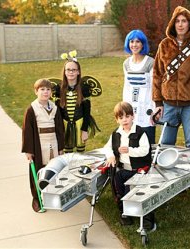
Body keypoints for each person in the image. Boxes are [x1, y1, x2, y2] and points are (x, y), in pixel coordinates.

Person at [152, 6, 190, 147]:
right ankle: (166, 169)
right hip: (168, 104)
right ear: (173, 24)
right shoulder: (164, 45)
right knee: (165, 144)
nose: (180, 24)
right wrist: (158, 103)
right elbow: (157, 74)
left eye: (184, 21)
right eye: (177, 21)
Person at [104, 102, 155, 230]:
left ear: (133, 116)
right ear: (117, 120)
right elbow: (107, 147)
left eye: (127, 116)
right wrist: (110, 155)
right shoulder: (116, 133)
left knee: (135, 192)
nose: (124, 120)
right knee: (119, 190)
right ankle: (125, 213)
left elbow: (145, 150)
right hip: (123, 169)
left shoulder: (140, 132)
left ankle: (147, 218)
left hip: (138, 169)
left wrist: (130, 150)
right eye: (121, 118)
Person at [22, 78, 64, 212]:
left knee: (52, 170)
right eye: (42, 89)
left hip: (53, 143)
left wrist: (61, 147)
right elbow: (27, 130)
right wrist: (28, 150)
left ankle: (51, 196)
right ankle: (37, 198)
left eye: (48, 89)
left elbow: (59, 128)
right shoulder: (32, 109)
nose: (46, 92)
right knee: (39, 172)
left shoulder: (54, 107)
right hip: (39, 144)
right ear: (36, 91)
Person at [123, 29, 156, 144]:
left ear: (143, 44)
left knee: (148, 143)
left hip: (146, 107)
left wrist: (154, 109)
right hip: (131, 107)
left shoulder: (151, 62)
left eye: (138, 41)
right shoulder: (126, 63)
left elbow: (154, 87)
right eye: (131, 41)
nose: (134, 45)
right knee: (131, 142)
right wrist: (124, 108)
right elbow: (126, 87)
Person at [54, 55, 92, 153]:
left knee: (80, 152)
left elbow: (87, 112)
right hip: (65, 124)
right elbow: (57, 112)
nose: (71, 72)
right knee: (67, 151)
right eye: (68, 70)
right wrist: (60, 130)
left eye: (74, 70)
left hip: (80, 123)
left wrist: (84, 130)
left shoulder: (84, 88)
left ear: (78, 72)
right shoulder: (59, 89)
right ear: (65, 72)